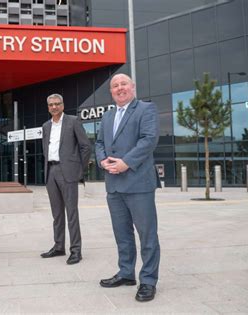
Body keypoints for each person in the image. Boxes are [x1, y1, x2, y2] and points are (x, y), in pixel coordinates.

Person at [95, 73, 161, 302]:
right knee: (122, 235)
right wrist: (102, 160)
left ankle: (148, 281)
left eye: (123, 84)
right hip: (113, 185)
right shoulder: (107, 116)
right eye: (115, 86)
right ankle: (126, 273)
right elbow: (100, 143)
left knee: (147, 235)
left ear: (132, 87)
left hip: (138, 183)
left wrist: (126, 163)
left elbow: (149, 140)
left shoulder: (146, 109)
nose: (120, 88)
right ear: (111, 92)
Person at [41, 93, 91, 265]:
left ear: (63, 105)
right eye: (51, 105)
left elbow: (86, 147)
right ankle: (59, 246)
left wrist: (78, 170)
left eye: (57, 104)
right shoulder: (46, 126)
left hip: (67, 172)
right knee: (57, 214)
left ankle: (76, 250)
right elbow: (45, 149)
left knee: (71, 213)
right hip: (51, 172)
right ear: (48, 107)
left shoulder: (73, 121)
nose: (54, 107)